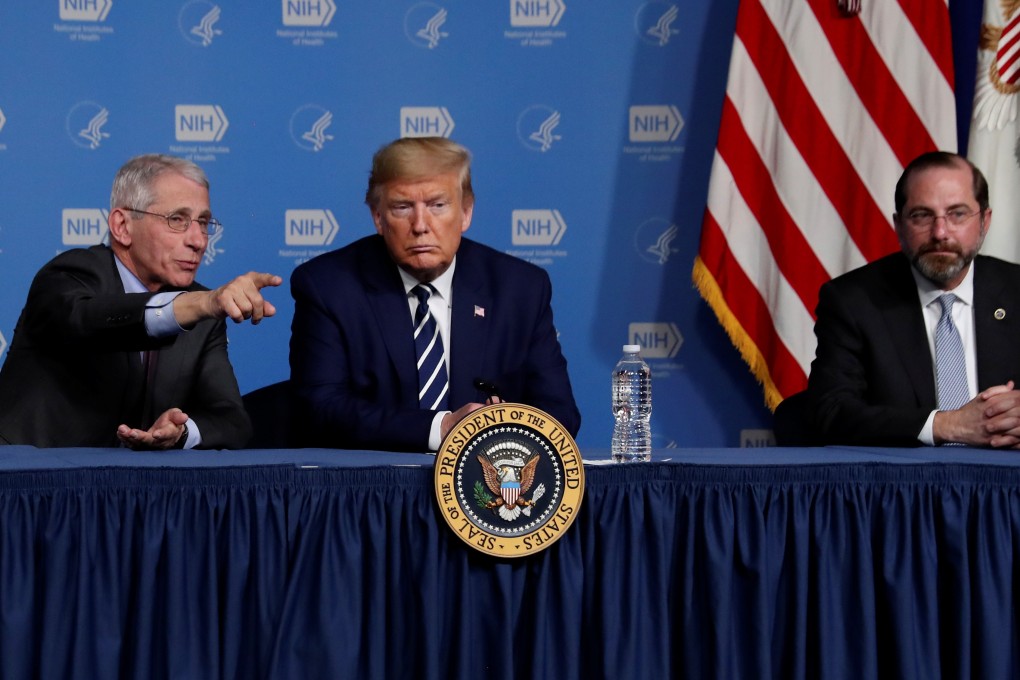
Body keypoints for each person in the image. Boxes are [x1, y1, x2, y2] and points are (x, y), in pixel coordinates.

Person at [289, 136, 581, 452]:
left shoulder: (520, 288)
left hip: (486, 486)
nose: (420, 225)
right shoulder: (328, 286)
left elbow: (559, 413)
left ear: (466, 212)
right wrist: (440, 428)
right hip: (374, 489)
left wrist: (498, 434)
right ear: (378, 216)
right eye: (402, 207)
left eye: (437, 205)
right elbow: (320, 408)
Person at [0, 154, 282, 449]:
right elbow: (88, 320)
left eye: (203, 222)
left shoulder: (204, 312)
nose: (198, 240)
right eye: (178, 220)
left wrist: (182, 434)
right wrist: (198, 305)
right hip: (28, 482)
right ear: (122, 226)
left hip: (131, 490)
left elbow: (232, 422)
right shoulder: (70, 275)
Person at [804, 150, 1020, 447]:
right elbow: (831, 411)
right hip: (901, 487)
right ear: (899, 224)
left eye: (957, 214)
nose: (940, 232)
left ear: (985, 220)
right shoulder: (853, 301)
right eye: (922, 215)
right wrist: (946, 425)